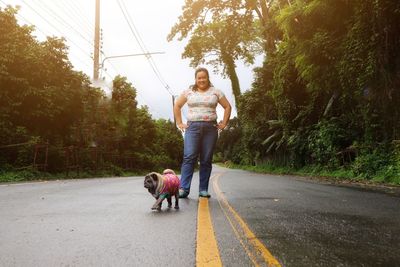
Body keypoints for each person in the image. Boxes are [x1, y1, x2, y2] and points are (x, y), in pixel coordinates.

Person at [174, 67, 232, 198]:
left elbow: (227, 106)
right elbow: (177, 105)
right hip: (192, 128)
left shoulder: (216, 92)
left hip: (210, 129)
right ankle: (183, 189)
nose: (201, 80)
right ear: (195, 79)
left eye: (203, 77)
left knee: (206, 159)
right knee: (189, 157)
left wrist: (224, 123)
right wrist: (179, 123)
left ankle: (203, 190)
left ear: (208, 78)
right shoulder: (188, 92)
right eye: (199, 78)